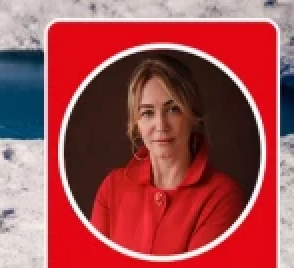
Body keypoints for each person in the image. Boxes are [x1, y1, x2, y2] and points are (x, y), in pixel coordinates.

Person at [89, 54, 245, 256]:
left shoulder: (222, 195)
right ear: (136, 123)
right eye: (147, 113)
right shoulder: (111, 188)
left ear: (192, 115)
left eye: (173, 109)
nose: (161, 126)